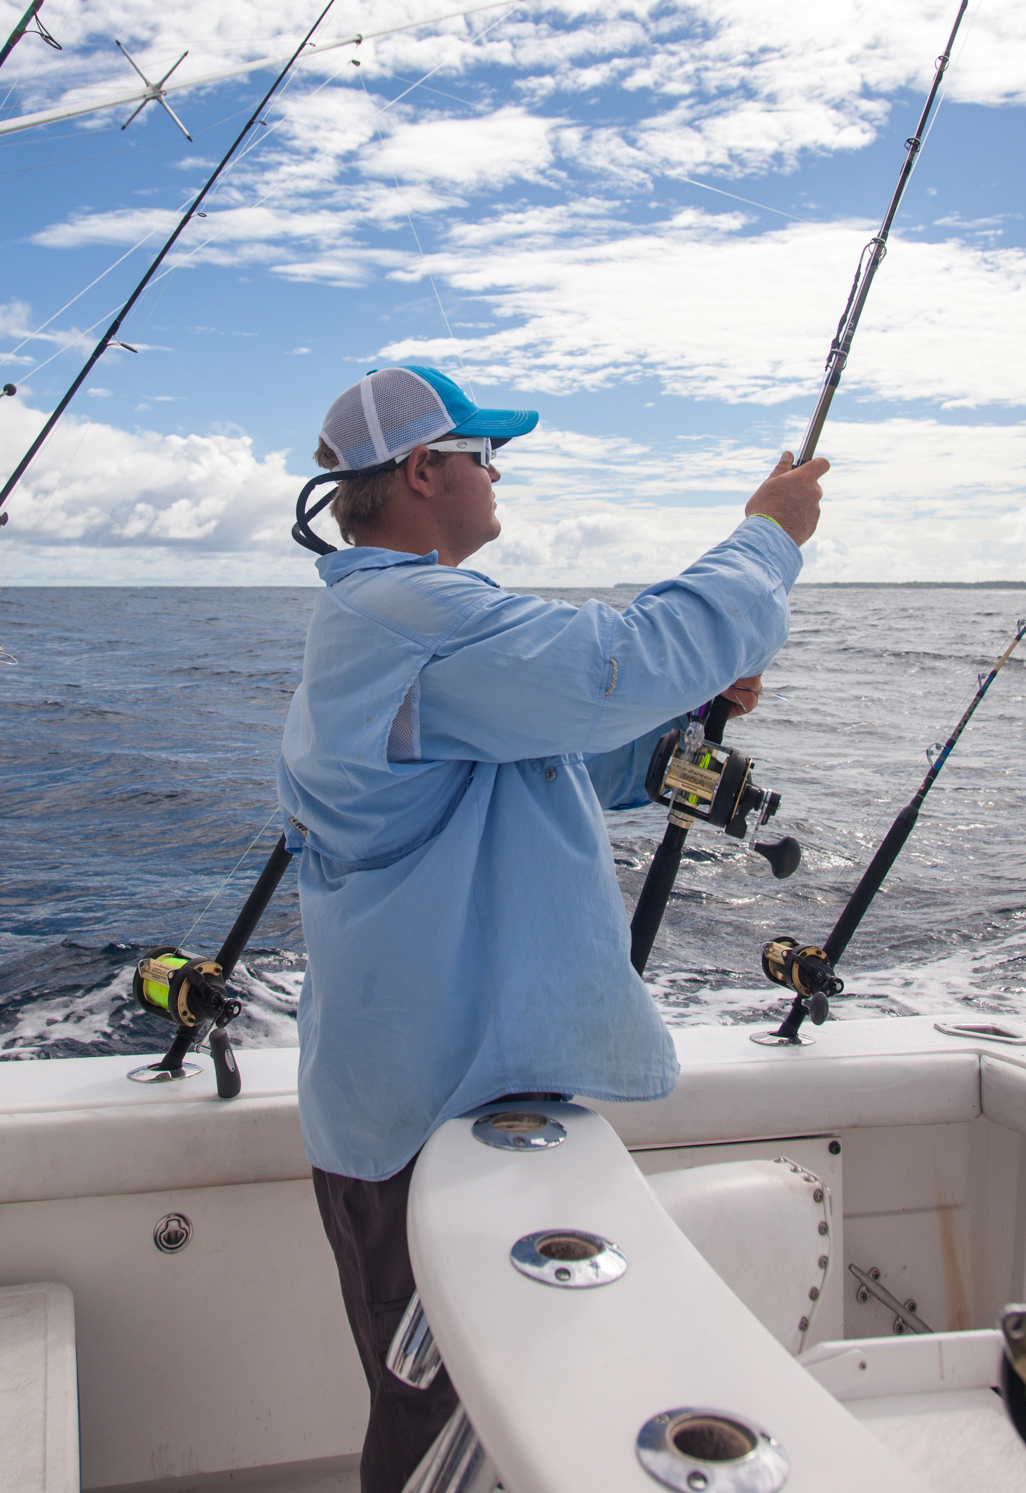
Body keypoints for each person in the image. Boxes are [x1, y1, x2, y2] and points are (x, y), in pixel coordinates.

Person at [277, 363, 828, 1493]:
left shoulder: (400, 621)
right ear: (425, 469)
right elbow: (612, 663)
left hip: (467, 1105)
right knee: (445, 1416)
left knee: (491, 1406)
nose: (497, 474)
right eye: (486, 453)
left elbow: (569, 749)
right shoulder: (409, 614)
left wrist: (682, 717)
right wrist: (765, 539)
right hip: (425, 1121)